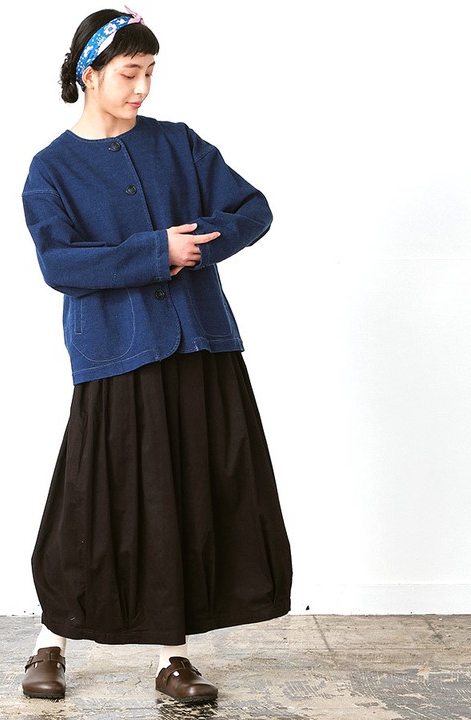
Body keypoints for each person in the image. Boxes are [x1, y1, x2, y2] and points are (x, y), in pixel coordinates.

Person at [21, 6, 292, 704]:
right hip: (116, 354)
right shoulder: (52, 168)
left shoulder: (179, 143)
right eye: (129, 73)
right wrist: (154, 251)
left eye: (150, 73)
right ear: (90, 73)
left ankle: (174, 660)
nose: (142, 87)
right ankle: (49, 643)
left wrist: (195, 242)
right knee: (93, 504)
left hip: (201, 341)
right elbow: (59, 263)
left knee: (187, 499)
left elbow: (253, 209)